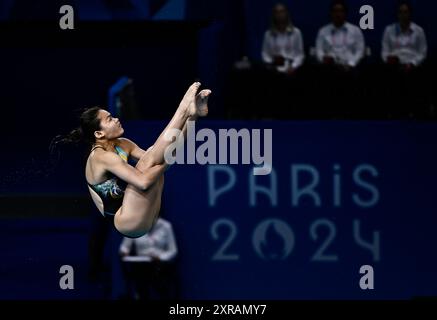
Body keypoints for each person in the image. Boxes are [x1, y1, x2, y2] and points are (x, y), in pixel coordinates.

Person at [51, 82, 211, 238]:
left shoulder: (123, 144)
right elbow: (143, 182)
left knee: (155, 156)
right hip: (126, 221)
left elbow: (159, 156)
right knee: (149, 165)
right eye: (109, 119)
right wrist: (167, 162)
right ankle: (183, 109)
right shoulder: (100, 157)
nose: (116, 119)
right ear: (99, 134)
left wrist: (167, 159)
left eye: (112, 116)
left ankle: (193, 115)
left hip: (144, 213)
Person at [380, 1, 429, 119]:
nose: (403, 15)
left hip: (412, 66)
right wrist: (389, 60)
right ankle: (394, 112)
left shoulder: (418, 31)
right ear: (397, 14)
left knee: (418, 75)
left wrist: (412, 64)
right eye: (400, 12)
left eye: (406, 12)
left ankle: (414, 112)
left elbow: (422, 52)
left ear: (410, 14)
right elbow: (384, 51)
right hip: (394, 65)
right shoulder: (389, 30)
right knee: (389, 74)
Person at [119, 217, 178, 300]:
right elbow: (124, 247)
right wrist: (124, 251)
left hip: (159, 267)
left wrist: (160, 257)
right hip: (140, 267)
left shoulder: (165, 226)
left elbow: (173, 251)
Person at [261, 3, 305, 74]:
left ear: (287, 13)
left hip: (292, 68)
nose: (279, 15)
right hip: (274, 68)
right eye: (277, 12)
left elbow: (300, 54)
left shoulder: (296, 32)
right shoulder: (268, 34)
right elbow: (265, 53)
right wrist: (270, 64)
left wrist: (294, 66)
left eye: (282, 11)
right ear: (273, 15)